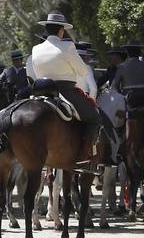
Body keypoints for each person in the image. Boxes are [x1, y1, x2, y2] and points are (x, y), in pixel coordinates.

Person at [27, 12, 118, 164]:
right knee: (94, 118)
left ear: (47, 29)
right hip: (65, 91)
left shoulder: (36, 49)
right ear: (61, 30)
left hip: (39, 91)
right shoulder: (67, 46)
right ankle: (85, 154)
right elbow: (82, 70)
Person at [112, 43, 144, 109]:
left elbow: (115, 86)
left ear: (127, 53)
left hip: (129, 99)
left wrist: (122, 94)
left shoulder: (122, 67)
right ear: (139, 52)